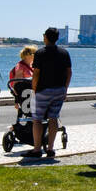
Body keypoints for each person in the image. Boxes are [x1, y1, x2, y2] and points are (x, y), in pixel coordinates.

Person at [28, 27, 71, 158]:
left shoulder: (40, 53)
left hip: (43, 89)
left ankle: (37, 149)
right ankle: (50, 149)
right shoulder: (64, 53)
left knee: (37, 120)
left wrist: (34, 89)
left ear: (45, 37)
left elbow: (36, 73)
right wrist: (65, 89)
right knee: (54, 118)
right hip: (59, 90)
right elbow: (69, 72)